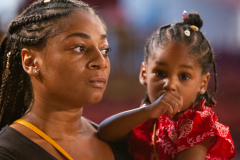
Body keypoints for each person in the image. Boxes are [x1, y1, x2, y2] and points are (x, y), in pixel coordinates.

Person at [0, 0, 133, 159]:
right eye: (79, 48)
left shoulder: (119, 140)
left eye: (105, 50)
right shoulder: (8, 152)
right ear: (30, 62)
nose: (101, 61)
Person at [97, 11, 236, 160]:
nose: (169, 85)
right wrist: (147, 112)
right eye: (160, 73)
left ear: (202, 84)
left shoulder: (197, 124)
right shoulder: (146, 115)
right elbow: (103, 133)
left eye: (184, 76)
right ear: (144, 74)